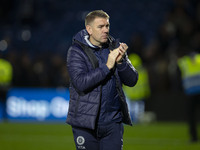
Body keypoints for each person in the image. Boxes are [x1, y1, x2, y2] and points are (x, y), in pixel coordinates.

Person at [66, 10, 138, 150]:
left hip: (112, 122)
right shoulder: (76, 51)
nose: (106, 30)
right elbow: (80, 83)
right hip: (85, 123)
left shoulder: (115, 47)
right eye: (101, 27)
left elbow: (132, 80)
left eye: (107, 26)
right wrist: (107, 67)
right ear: (89, 29)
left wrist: (121, 62)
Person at [177, 51, 200, 142]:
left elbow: (178, 78)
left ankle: (194, 137)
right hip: (193, 92)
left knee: (191, 116)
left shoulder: (183, 62)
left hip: (191, 93)